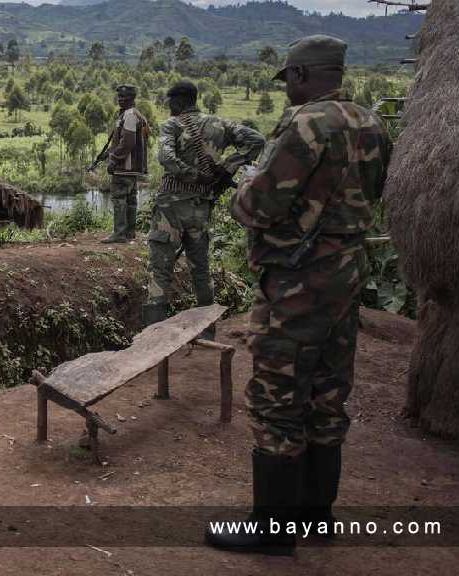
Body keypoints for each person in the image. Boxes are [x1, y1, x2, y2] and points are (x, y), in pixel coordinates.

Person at [205, 35, 392, 555]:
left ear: (303, 76)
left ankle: (271, 530)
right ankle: (314, 517)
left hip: (297, 280)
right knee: (329, 391)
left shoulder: (306, 124)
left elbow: (257, 207)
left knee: (277, 395)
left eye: (287, 77)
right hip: (346, 274)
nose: (287, 87)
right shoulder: (372, 122)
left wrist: (245, 182)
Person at [143, 81, 264, 335]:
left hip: (171, 208)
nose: (169, 107)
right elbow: (256, 140)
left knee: (160, 271)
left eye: (170, 102)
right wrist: (227, 166)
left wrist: (191, 174)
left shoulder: (172, 125)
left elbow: (165, 157)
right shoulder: (219, 124)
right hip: (200, 209)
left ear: (178, 101)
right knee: (200, 269)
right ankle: (208, 332)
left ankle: (152, 338)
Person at [101, 84, 150, 244]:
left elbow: (127, 142)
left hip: (124, 167)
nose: (120, 100)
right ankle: (129, 233)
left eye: (124, 97)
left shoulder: (129, 115)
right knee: (131, 199)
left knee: (119, 198)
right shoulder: (137, 114)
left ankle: (120, 233)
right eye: (119, 97)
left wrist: (113, 159)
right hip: (133, 168)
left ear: (131, 99)